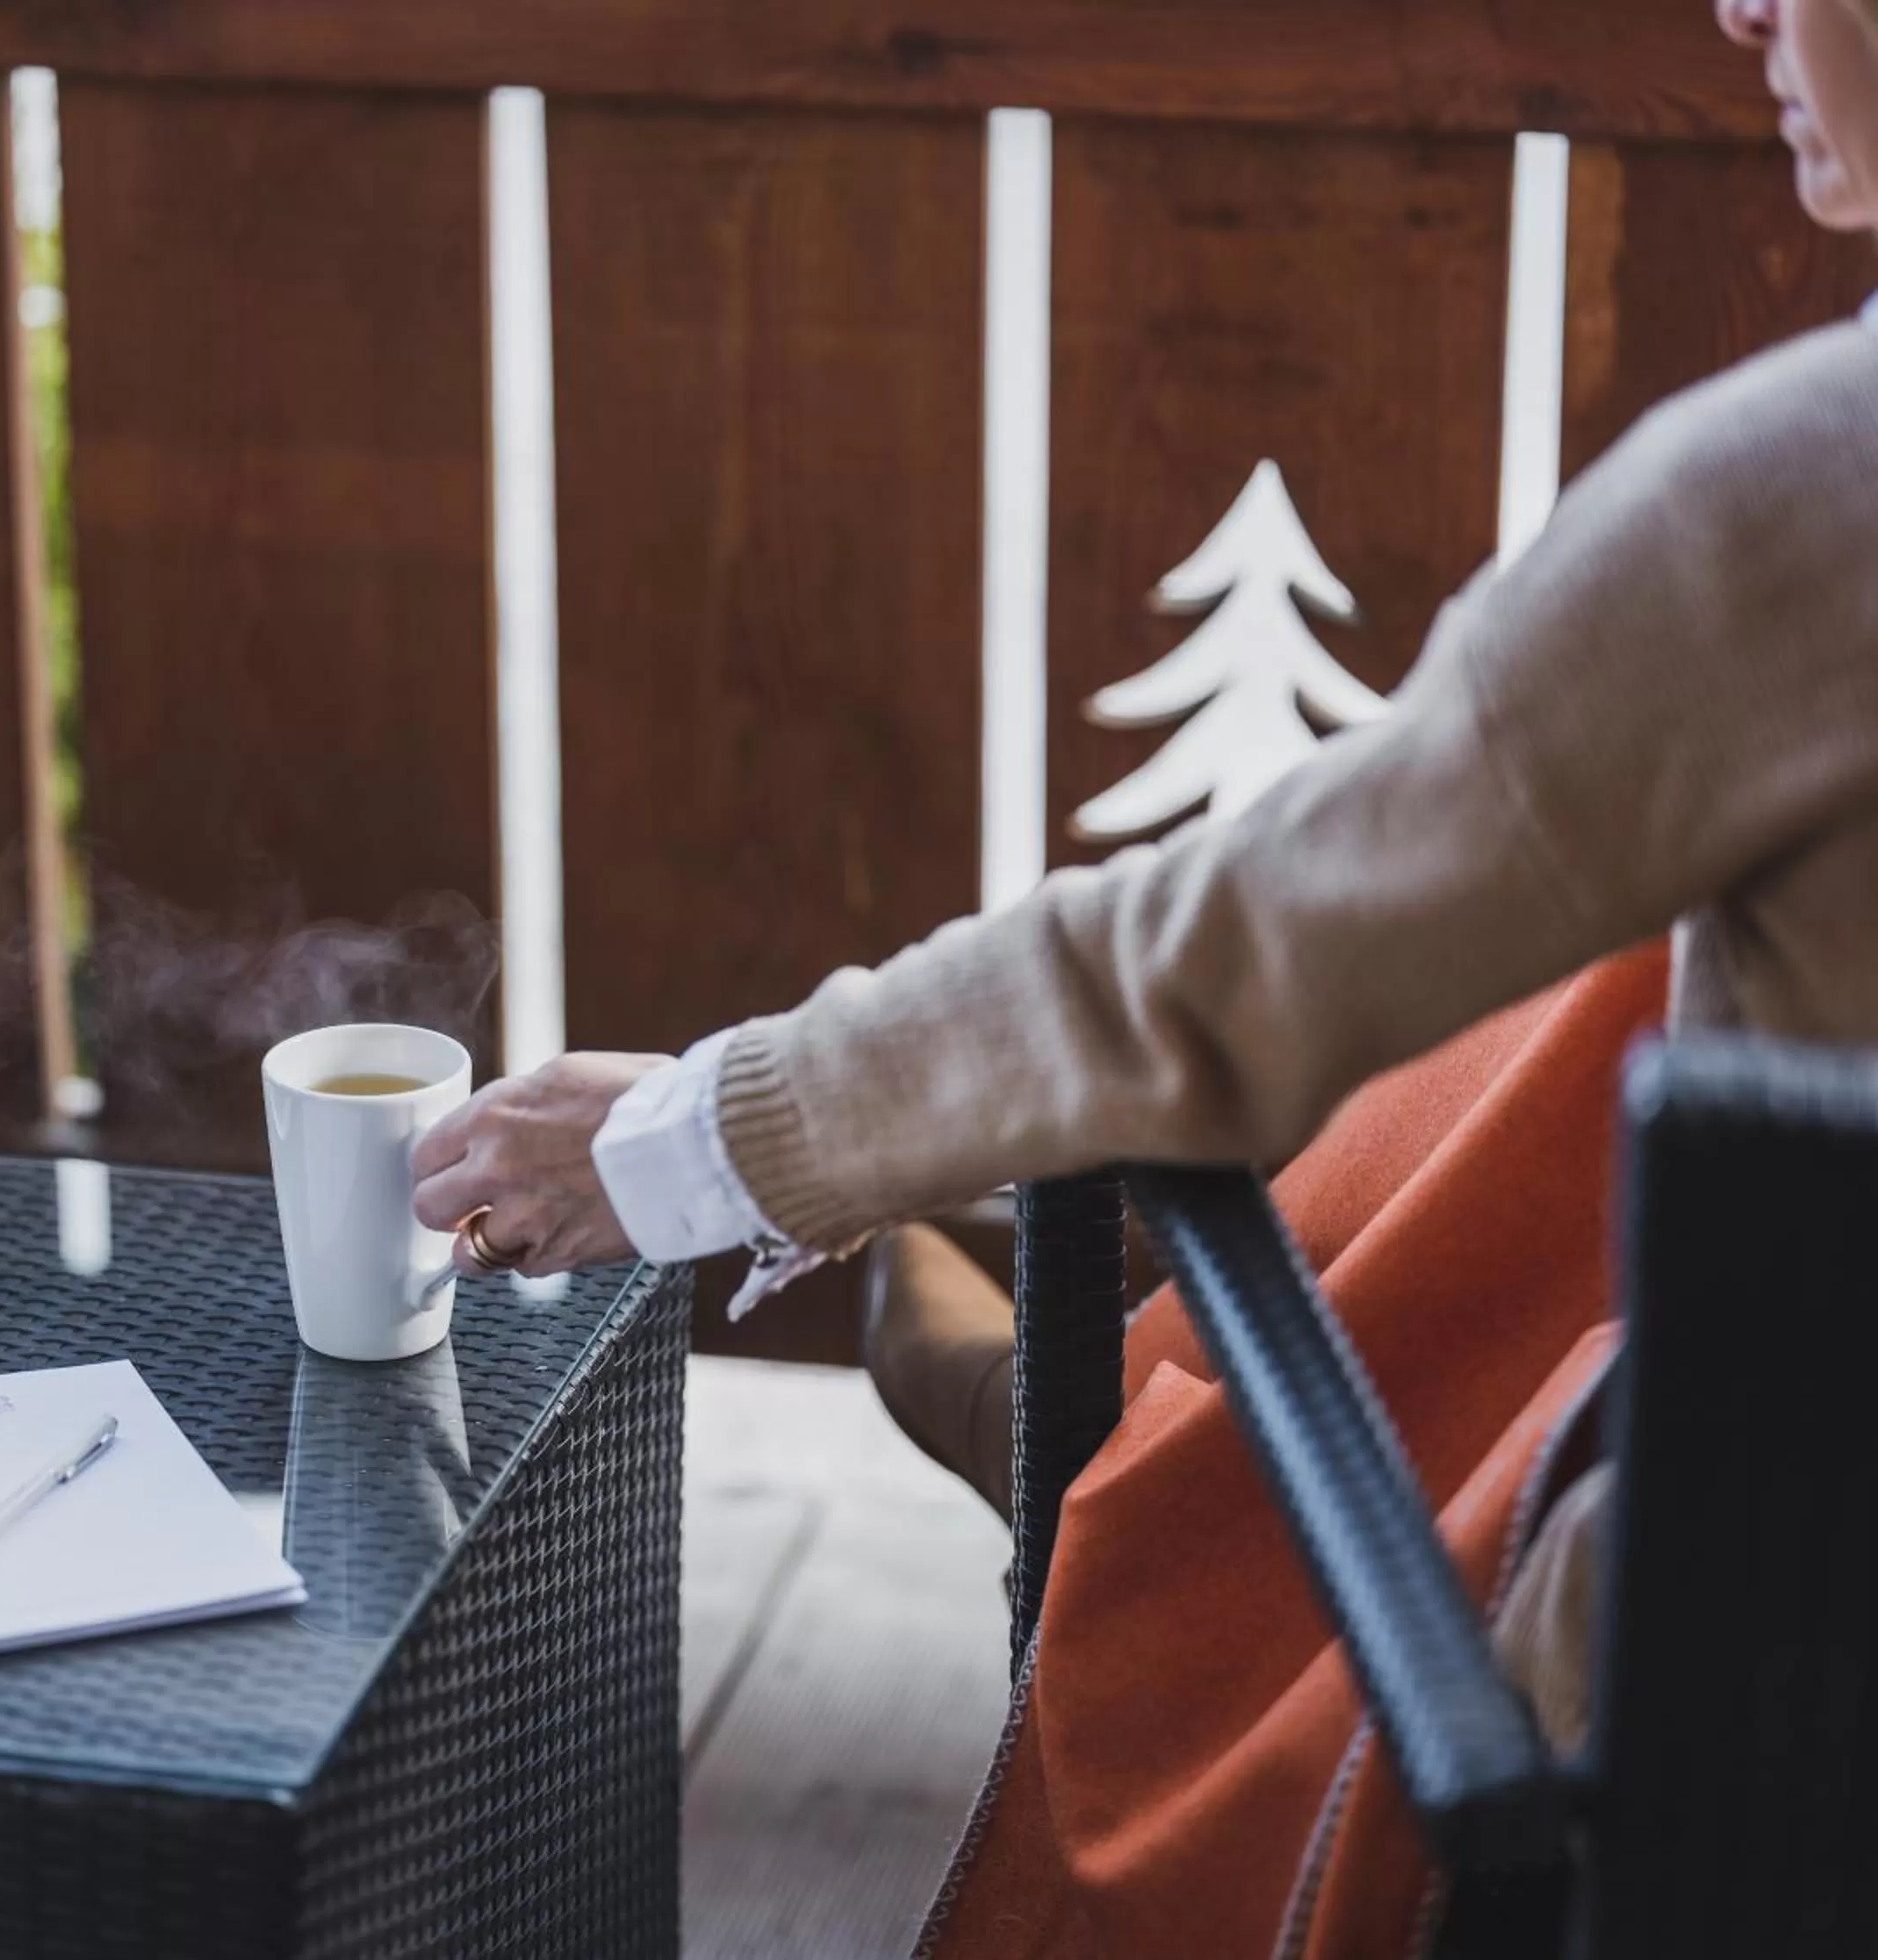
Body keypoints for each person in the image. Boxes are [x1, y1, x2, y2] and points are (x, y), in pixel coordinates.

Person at [413, 0, 1878, 1950]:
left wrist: (691, 1136)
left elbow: (1210, 963)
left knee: (1374, 1112)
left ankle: (1081, 1409)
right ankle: (1073, 1360)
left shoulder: (1810, 509)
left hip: (1736, 1701)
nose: (1744, 5)